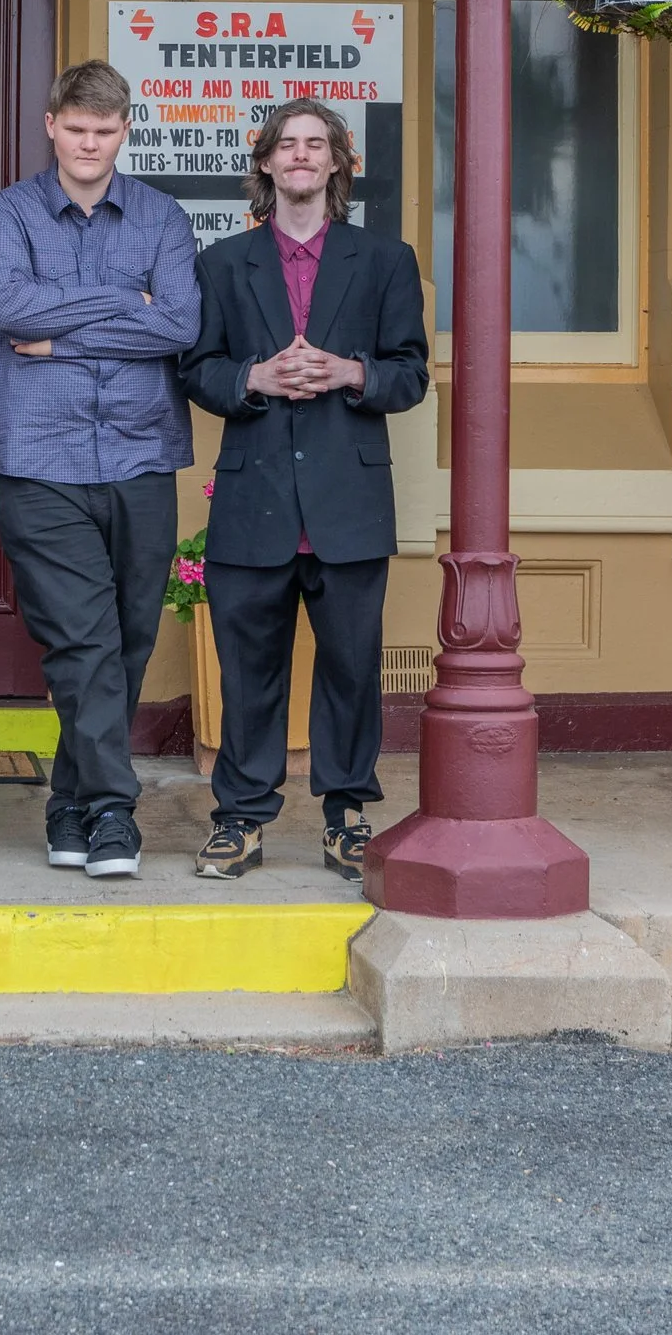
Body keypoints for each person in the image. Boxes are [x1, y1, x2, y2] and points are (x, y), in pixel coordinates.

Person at [179, 102, 428, 882]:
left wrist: (352, 372)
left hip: (348, 505)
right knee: (247, 668)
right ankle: (240, 820)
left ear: (337, 164)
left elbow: (412, 372)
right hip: (254, 502)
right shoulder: (221, 263)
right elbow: (196, 369)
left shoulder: (385, 259)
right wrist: (254, 376)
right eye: (286, 144)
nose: (300, 156)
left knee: (352, 665)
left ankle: (347, 815)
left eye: (315, 145)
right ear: (265, 163)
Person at [0, 59, 201, 879]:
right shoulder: (9, 214)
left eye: (105, 131)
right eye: (76, 128)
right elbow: (11, 309)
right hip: (40, 457)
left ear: (125, 131)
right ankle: (112, 809)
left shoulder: (162, 219)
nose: (89, 143)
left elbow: (179, 323)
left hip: (141, 453)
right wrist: (124, 302)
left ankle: (67, 804)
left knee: (129, 638)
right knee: (82, 638)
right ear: (51, 125)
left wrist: (64, 334)